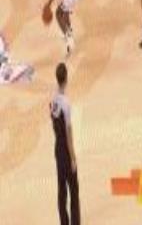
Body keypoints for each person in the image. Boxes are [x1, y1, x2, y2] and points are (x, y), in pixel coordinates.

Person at [50, 63, 80, 225]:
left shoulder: (53, 100)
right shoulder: (66, 104)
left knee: (61, 190)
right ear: (66, 78)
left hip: (57, 148)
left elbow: (54, 123)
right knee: (74, 189)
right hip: (66, 152)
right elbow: (69, 134)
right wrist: (73, 158)